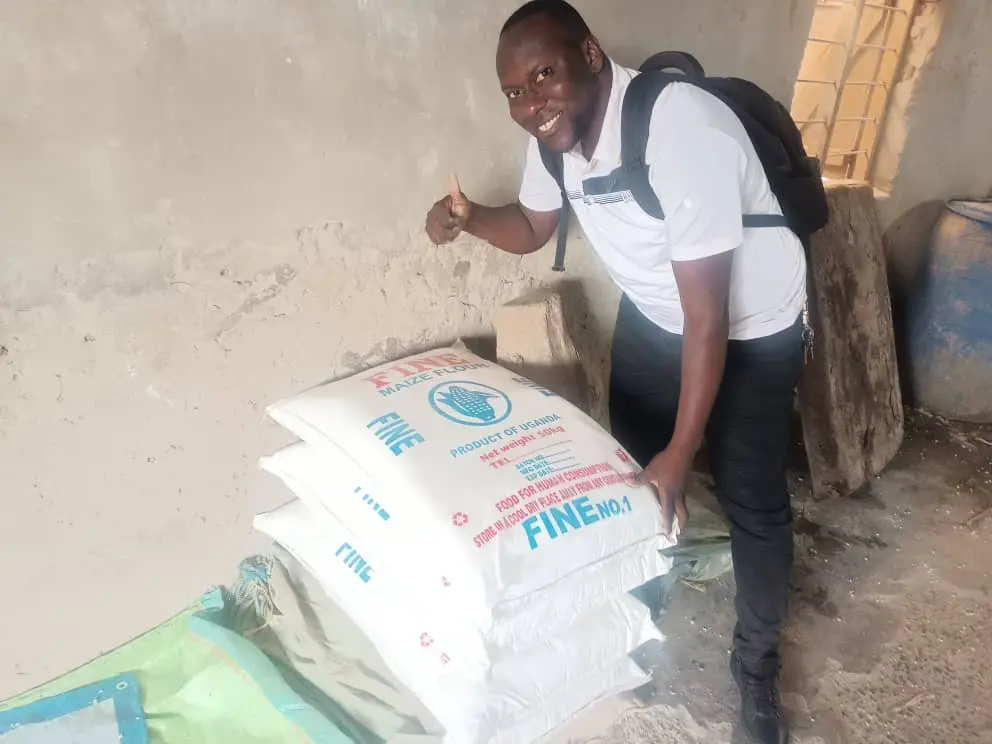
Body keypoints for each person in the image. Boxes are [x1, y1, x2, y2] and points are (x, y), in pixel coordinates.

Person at [424, 2, 805, 742]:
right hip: (662, 312)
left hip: (752, 323)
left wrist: (683, 448)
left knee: (751, 499)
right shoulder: (554, 139)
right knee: (629, 467)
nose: (532, 104)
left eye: (545, 76)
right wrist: (468, 217)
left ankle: (756, 669)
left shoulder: (680, 127)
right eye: (515, 92)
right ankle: (636, 606)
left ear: (592, 57)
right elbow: (534, 229)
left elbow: (711, 319)